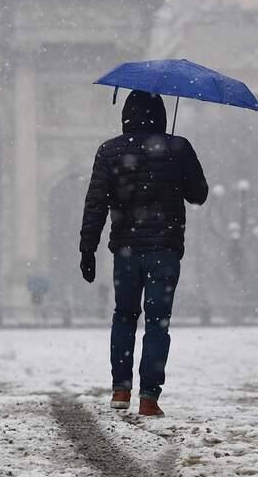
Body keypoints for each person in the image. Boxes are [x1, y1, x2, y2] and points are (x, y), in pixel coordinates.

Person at [79, 90, 208, 417]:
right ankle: (149, 396)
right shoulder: (177, 148)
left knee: (124, 316)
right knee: (157, 322)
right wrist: (177, 161)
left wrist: (88, 247)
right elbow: (199, 194)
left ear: (126, 115)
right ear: (162, 115)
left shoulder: (109, 151)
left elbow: (95, 203)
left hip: (126, 250)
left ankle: (120, 389)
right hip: (164, 249)